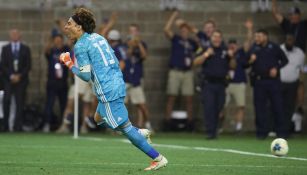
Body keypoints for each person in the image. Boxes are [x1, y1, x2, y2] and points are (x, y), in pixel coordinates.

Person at [60, 8, 167, 170]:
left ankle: (158, 158)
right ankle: (139, 132)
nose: (66, 27)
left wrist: (69, 64)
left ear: (79, 27)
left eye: (69, 24)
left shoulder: (81, 46)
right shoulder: (98, 37)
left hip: (107, 90)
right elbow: (115, 59)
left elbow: (86, 76)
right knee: (97, 119)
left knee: (125, 129)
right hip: (116, 81)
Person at [193, 30, 236, 139]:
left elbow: (233, 66)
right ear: (211, 38)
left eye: (218, 37)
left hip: (221, 84)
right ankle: (210, 132)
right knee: (209, 108)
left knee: (219, 108)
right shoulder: (204, 48)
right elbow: (195, 62)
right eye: (214, 37)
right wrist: (206, 55)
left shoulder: (225, 50)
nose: (216, 39)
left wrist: (231, 56)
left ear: (221, 39)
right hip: (208, 84)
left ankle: (215, 130)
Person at [248, 29, 288, 139]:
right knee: (260, 108)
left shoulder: (274, 47)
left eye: (259, 36)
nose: (257, 39)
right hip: (259, 81)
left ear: (265, 36)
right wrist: (250, 60)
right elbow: (246, 62)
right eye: (256, 36)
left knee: (278, 106)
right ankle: (261, 132)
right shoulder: (254, 48)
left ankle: (281, 132)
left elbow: (285, 60)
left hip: (273, 82)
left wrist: (276, 68)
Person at [272, 0, 307, 120]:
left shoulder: (303, 25)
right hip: (287, 54)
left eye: (295, 15)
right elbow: (276, 14)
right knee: (284, 81)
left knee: (300, 81)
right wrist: (273, 2)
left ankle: (299, 107)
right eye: (291, 15)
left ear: (299, 16)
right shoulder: (288, 24)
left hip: (300, 55)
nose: (293, 17)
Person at [163, 11, 197, 130]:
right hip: (175, 71)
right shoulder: (176, 39)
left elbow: (201, 39)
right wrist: (173, 17)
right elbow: (166, 29)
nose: (184, 32)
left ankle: (190, 123)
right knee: (171, 97)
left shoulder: (192, 43)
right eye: (182, 30)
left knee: (189, 98)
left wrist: (186, 24)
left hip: (187, 72)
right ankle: (167, 123)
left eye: (185, 30)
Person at [0, 29, 31, 132]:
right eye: (12, 34)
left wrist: (19, 76)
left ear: (20, 35)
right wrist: (11, 76)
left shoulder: (25, 49)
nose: (14, 36)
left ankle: (17, 126)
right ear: (10, 36)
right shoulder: (5, 49)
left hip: (21, 81)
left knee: (19, 103)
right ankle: (5, 126)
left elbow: (28, 65)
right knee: (6, 101)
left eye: (16, 34)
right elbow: (3, 65)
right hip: (8, 81)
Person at [123, 24, 153, 130]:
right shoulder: (125, 44)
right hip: (125, 79)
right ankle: (122, 126)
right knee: (122, 104)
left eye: (135, 31)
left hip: (136, 79)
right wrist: (131, 45)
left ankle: (146, 124)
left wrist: (139, 43)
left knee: (141, 104)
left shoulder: (142, 44)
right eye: (131, 31)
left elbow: (144, 56)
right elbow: (127, 55)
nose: (133, 33)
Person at [42, 34, 70, 132]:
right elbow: (46, 50)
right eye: (56, 40)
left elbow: (69, 43)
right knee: (49, 104)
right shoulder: (51, 51)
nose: (58, 42)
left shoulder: (65, 50)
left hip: (62, 82)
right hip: (52, 82)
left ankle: (62, 125)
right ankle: (47, 124)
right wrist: (50, 40)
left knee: (63, 104)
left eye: (59, 40)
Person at [280, 34, 305, 134]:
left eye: (291, 40)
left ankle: (286, 128)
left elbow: (302, 69)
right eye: (288, 40)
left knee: (289, 107)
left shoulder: (300, 53)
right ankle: (275, 128)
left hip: (293, 84)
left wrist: (301, 82)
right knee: (278, 106)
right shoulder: (279, 49)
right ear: (285, 40)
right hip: (279, 83)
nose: (290, 42)